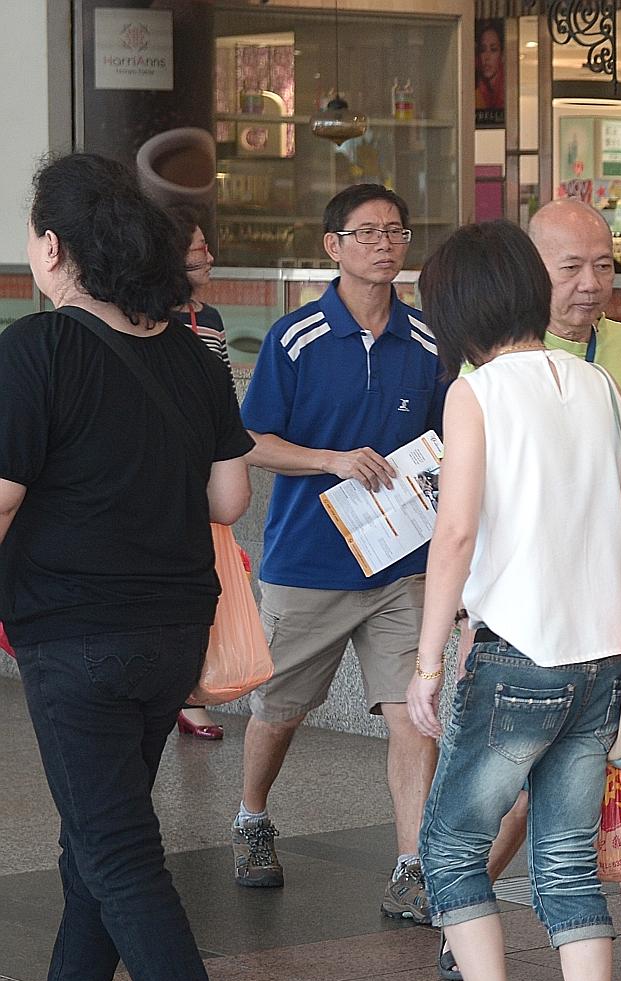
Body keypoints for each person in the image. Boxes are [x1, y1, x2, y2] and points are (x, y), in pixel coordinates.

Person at [439, 200, 621, 981]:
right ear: (527, 270)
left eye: (605, 263)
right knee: (548, 805)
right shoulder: (493, 376)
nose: (592, 283)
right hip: (552, 614)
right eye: (572, 266)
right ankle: (477, 918)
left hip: (604, 602)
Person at [0, 152, 253, 981]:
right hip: (174, 636)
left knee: (117, 856)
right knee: (95, 848)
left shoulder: (37, 348)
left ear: (55, 248)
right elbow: (230, 496)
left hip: (75, 639)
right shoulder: (192, 352)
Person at [409, 220, 621, 981]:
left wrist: (428, 661)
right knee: (568, 863)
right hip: (599, 661)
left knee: (448, 852)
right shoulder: (600, 388)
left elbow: (458, 532)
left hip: (515, 657)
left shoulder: (474, 392)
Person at [232, 184, 447, 922]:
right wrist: (330, 460)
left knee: (412, 715)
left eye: (396, 231)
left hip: (400, 568)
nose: (384, 244)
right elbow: (251, 441)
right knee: (280, 709)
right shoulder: (295, 338)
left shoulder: (427, 341)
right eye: (366, 233)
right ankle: (252, 817)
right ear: (333, 246)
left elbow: (452, 443)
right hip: (309, 562)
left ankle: (412, 866)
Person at [168, 207, 233, 741]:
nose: (208, 257)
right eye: (197, 249)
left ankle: (191, 690)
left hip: (208, 468)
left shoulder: (209, 319)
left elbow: (224, 396)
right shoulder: (148, 320)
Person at [475, 22, 505, 116]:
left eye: (493, 49)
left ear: (502, 55)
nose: (486, 57)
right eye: (482, 50)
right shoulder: (475, 94)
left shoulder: (508, 93)